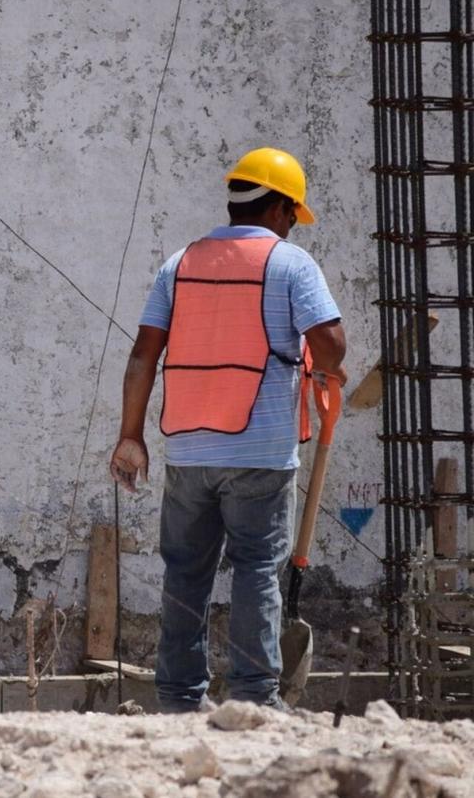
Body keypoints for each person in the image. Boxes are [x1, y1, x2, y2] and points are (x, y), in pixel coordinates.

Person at [108, 147, 347, 712]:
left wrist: (131, 435)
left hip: (188, 449)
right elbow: (331, 345)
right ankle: (254, 699)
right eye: (293, 214)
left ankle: (177, 698)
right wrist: (326, 369)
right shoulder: (291, 264)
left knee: (185, 574)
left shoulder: (181, 262)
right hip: (261, 451)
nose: (292, 225)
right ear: (281, 208)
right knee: (257, 572)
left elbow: (144, 354)